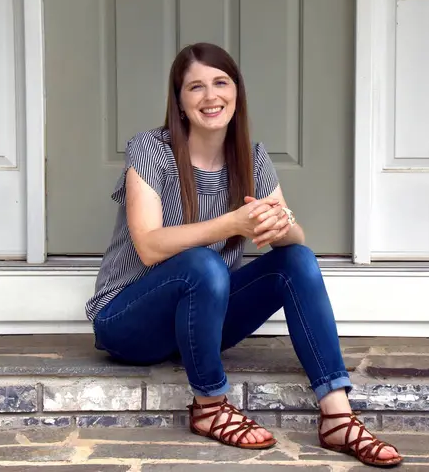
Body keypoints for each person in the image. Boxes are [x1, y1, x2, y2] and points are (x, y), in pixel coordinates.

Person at [87, 42, 403, 468]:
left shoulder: (252, 157)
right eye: (195, 87)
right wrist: (234, 224)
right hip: (126, 321)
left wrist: (280, 223)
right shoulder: (150, 150)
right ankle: (210, 406)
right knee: (203, 264)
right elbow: (149, 246)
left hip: (198, 321)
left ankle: (336, 416)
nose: (210, 96)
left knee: (298, 259)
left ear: (236, 93)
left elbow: (294, 238)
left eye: (220, 82)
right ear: (179, 102)